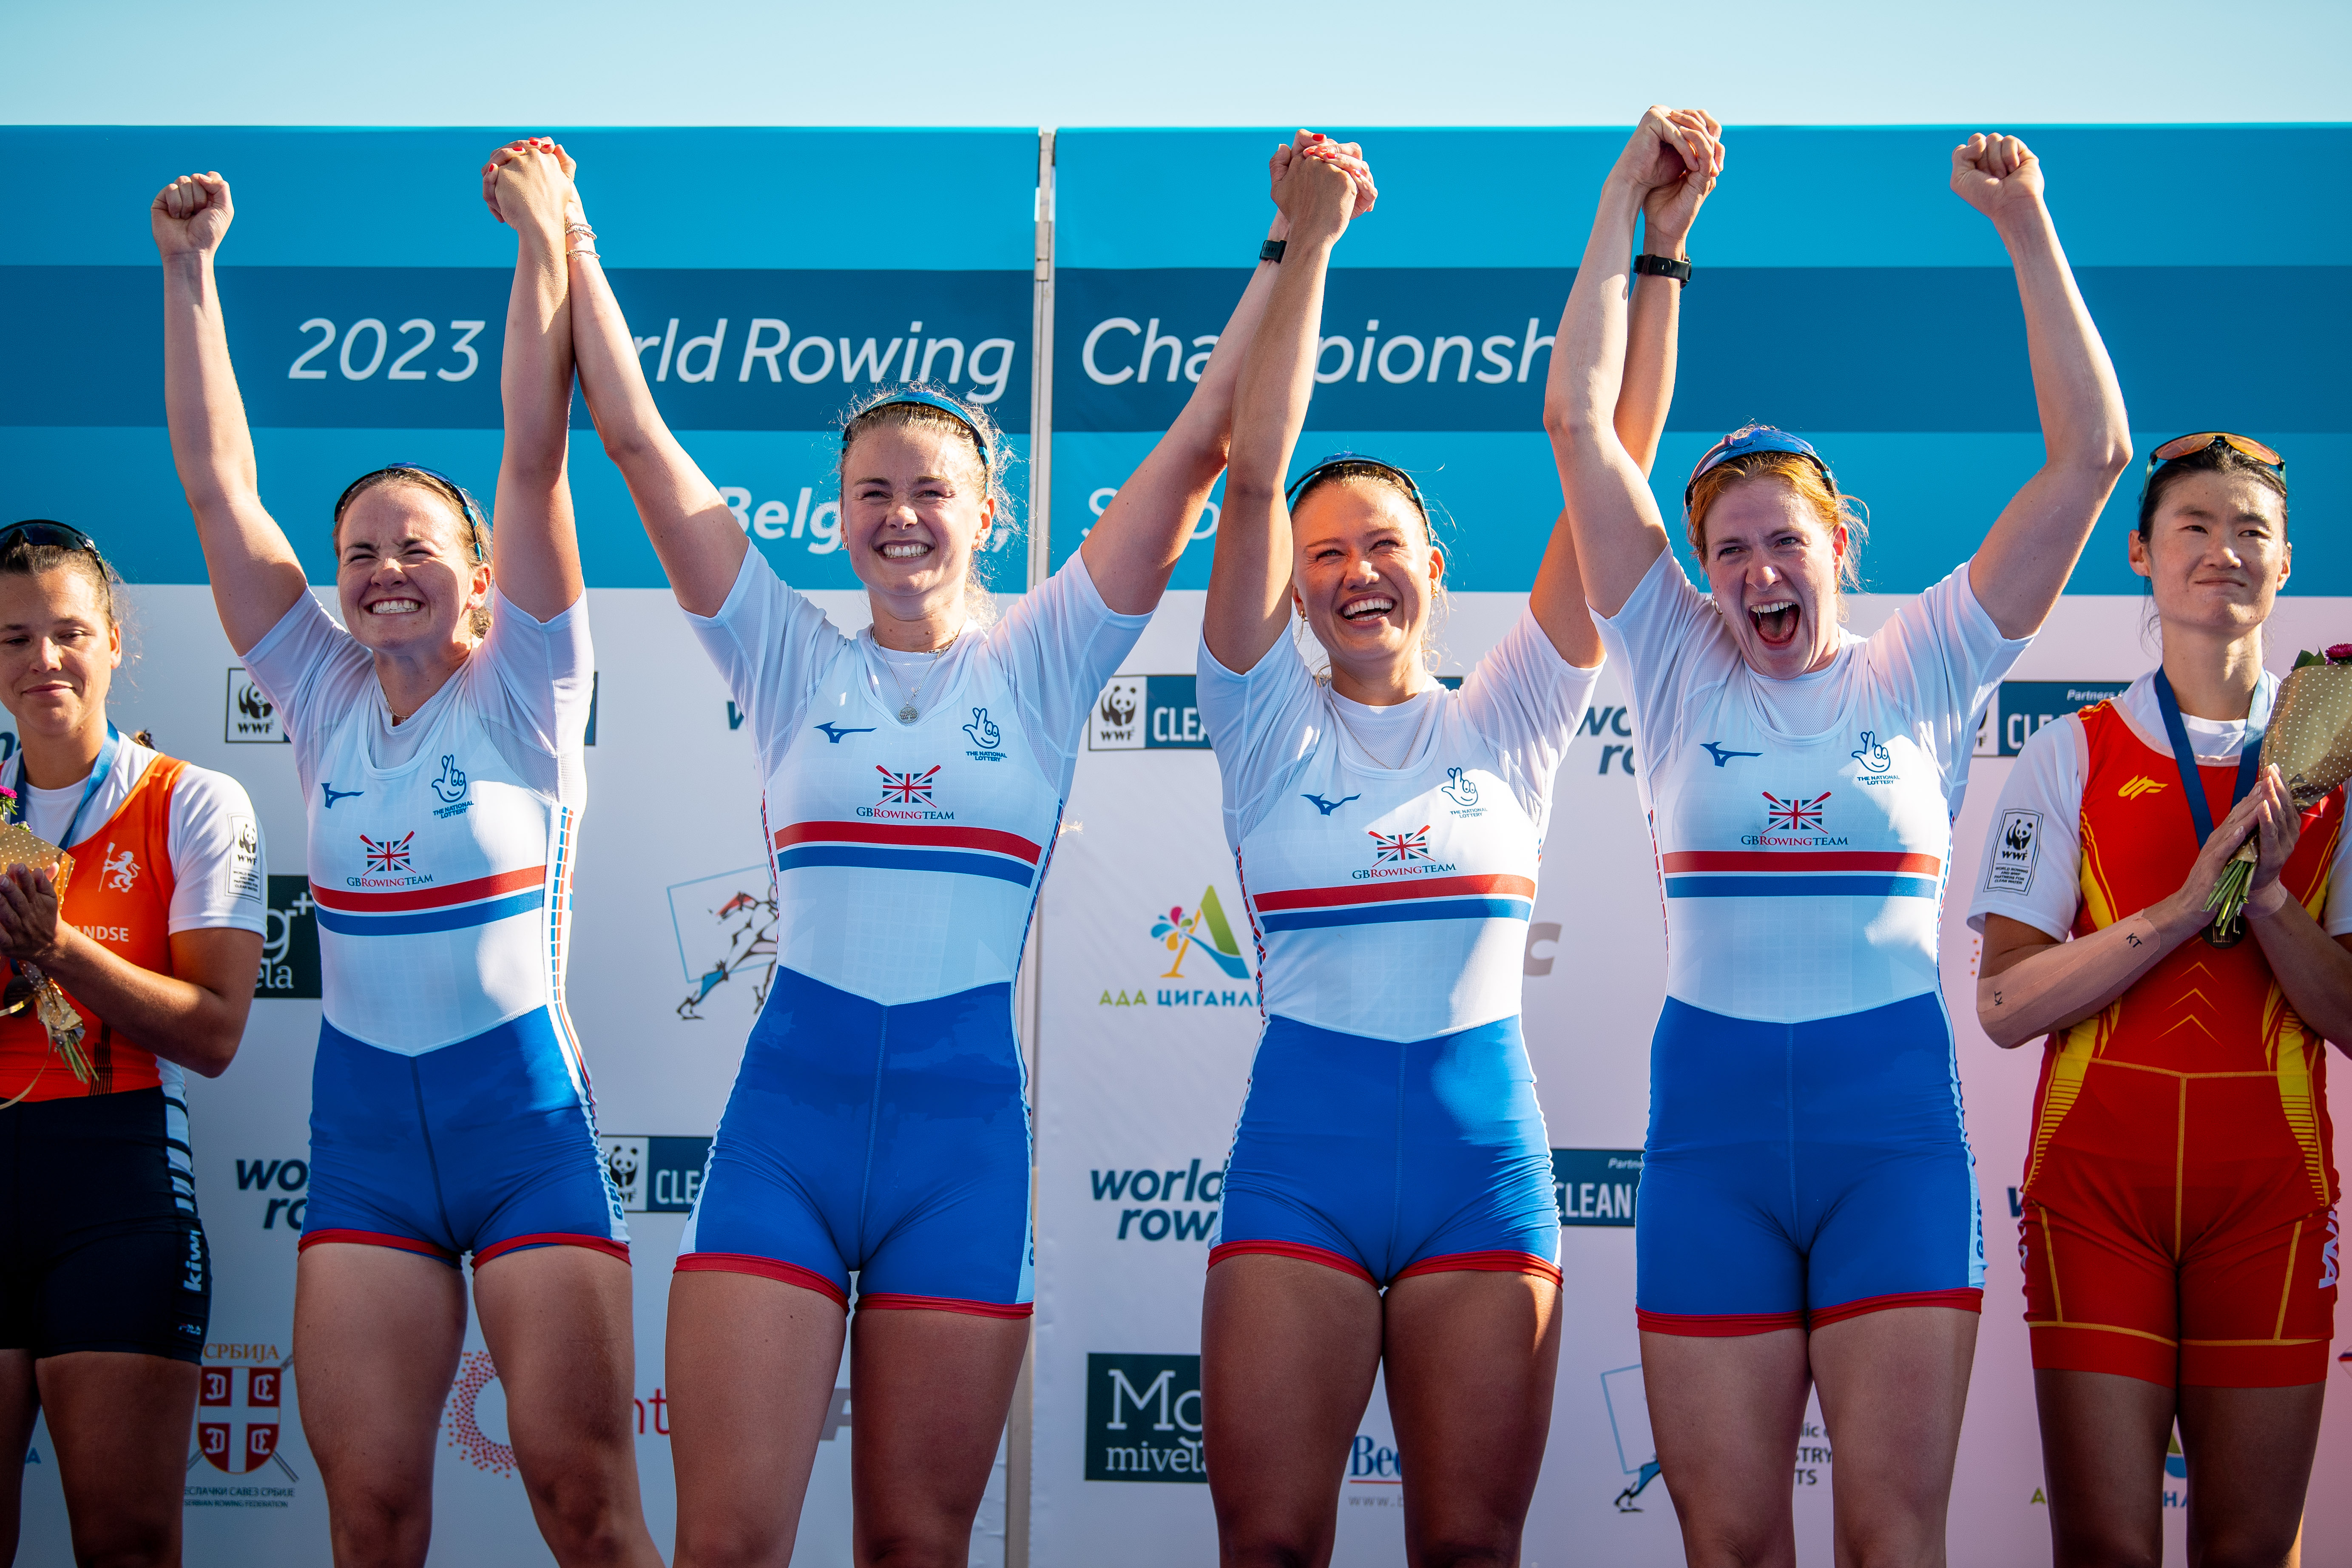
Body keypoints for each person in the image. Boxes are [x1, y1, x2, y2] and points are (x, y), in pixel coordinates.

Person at [564, 125, 1374, 1566]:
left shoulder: (1045, 660)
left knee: (914, 1545)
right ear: (838, 514)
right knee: (729, 1542)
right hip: (783, 1142)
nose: (898, 515)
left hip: (959, 1149)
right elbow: (635, 442)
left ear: (986, 513)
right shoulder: (786, 653)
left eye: (929, 490)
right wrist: (564, 235)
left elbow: (1203, 450)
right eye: (871, 491)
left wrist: (1290, 248)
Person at [1547, 110, 2133, 1567]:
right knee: (1733, 1545)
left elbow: (2092, 455)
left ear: (1838, 547)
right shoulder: (1676, 660)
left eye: (1782, 541)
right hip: (1711, 1148)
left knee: (1889, 1540)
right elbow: (1575, 424)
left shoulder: (1923, 658)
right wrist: (1630, 211)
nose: (1754, 570)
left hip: (1891, 1146)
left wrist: (2026, 226)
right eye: (1727, 546)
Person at [153, 143, 662, 1568]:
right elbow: (215, 487)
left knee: (582, 1499)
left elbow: (531, 447)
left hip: (527, 1142)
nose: (384, 566)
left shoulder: (531, 685)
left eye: (418, 545)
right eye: (359, 547)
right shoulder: (319, 694)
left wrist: (539, 240)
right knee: (372, 1515)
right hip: (367, 1151)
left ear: (480, 572)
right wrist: (190, 273)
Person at [1193, 125, 1670, 1562]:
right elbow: (1250, 465)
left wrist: (1649, 241)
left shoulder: (1513, 711)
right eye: (1324, 549)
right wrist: (1310, 239)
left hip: (1485, 1171)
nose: (1354, 570)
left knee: (1470, 1546)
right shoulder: (1260, 713)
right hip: (1300, 1172)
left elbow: (1616, 459)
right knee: (1270, 1545)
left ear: (1431, 566)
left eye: (1383, 541)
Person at [1971, 432, 2349, 1568]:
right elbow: (2002, 1003)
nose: (2221, 551)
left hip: (2269, 1200)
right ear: (2139, 551)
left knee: (2248, 1551)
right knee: (2103, 1548)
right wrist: (2185, 908)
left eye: (2250, 532)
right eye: (2193, 526)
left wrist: (2271, 899)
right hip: (2096, 1198)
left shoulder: (2331, 759)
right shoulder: (2071, 750)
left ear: (2285, 564)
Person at [0, 521, 265, 1568]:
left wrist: (57, 948)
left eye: (68, 632)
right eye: (14, 638)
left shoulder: (193, 801)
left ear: (115, 641)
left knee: (127, 1539)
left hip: (113, 1187)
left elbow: (216, 1030)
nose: (43, 660)